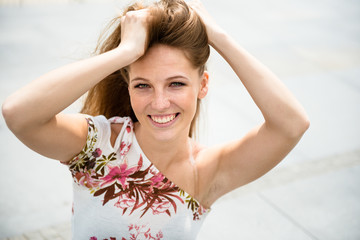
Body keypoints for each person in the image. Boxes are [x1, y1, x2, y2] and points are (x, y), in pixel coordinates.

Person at [2, 0, 309, 239]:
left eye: (176, 83)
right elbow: (18, 114)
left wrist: (220, 37)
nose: (160, 103)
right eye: (142, 85)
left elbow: (292, 124)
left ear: (202, 84)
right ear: (128, 84)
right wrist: (125, 53)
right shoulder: (97, 145)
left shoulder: (208, 171)